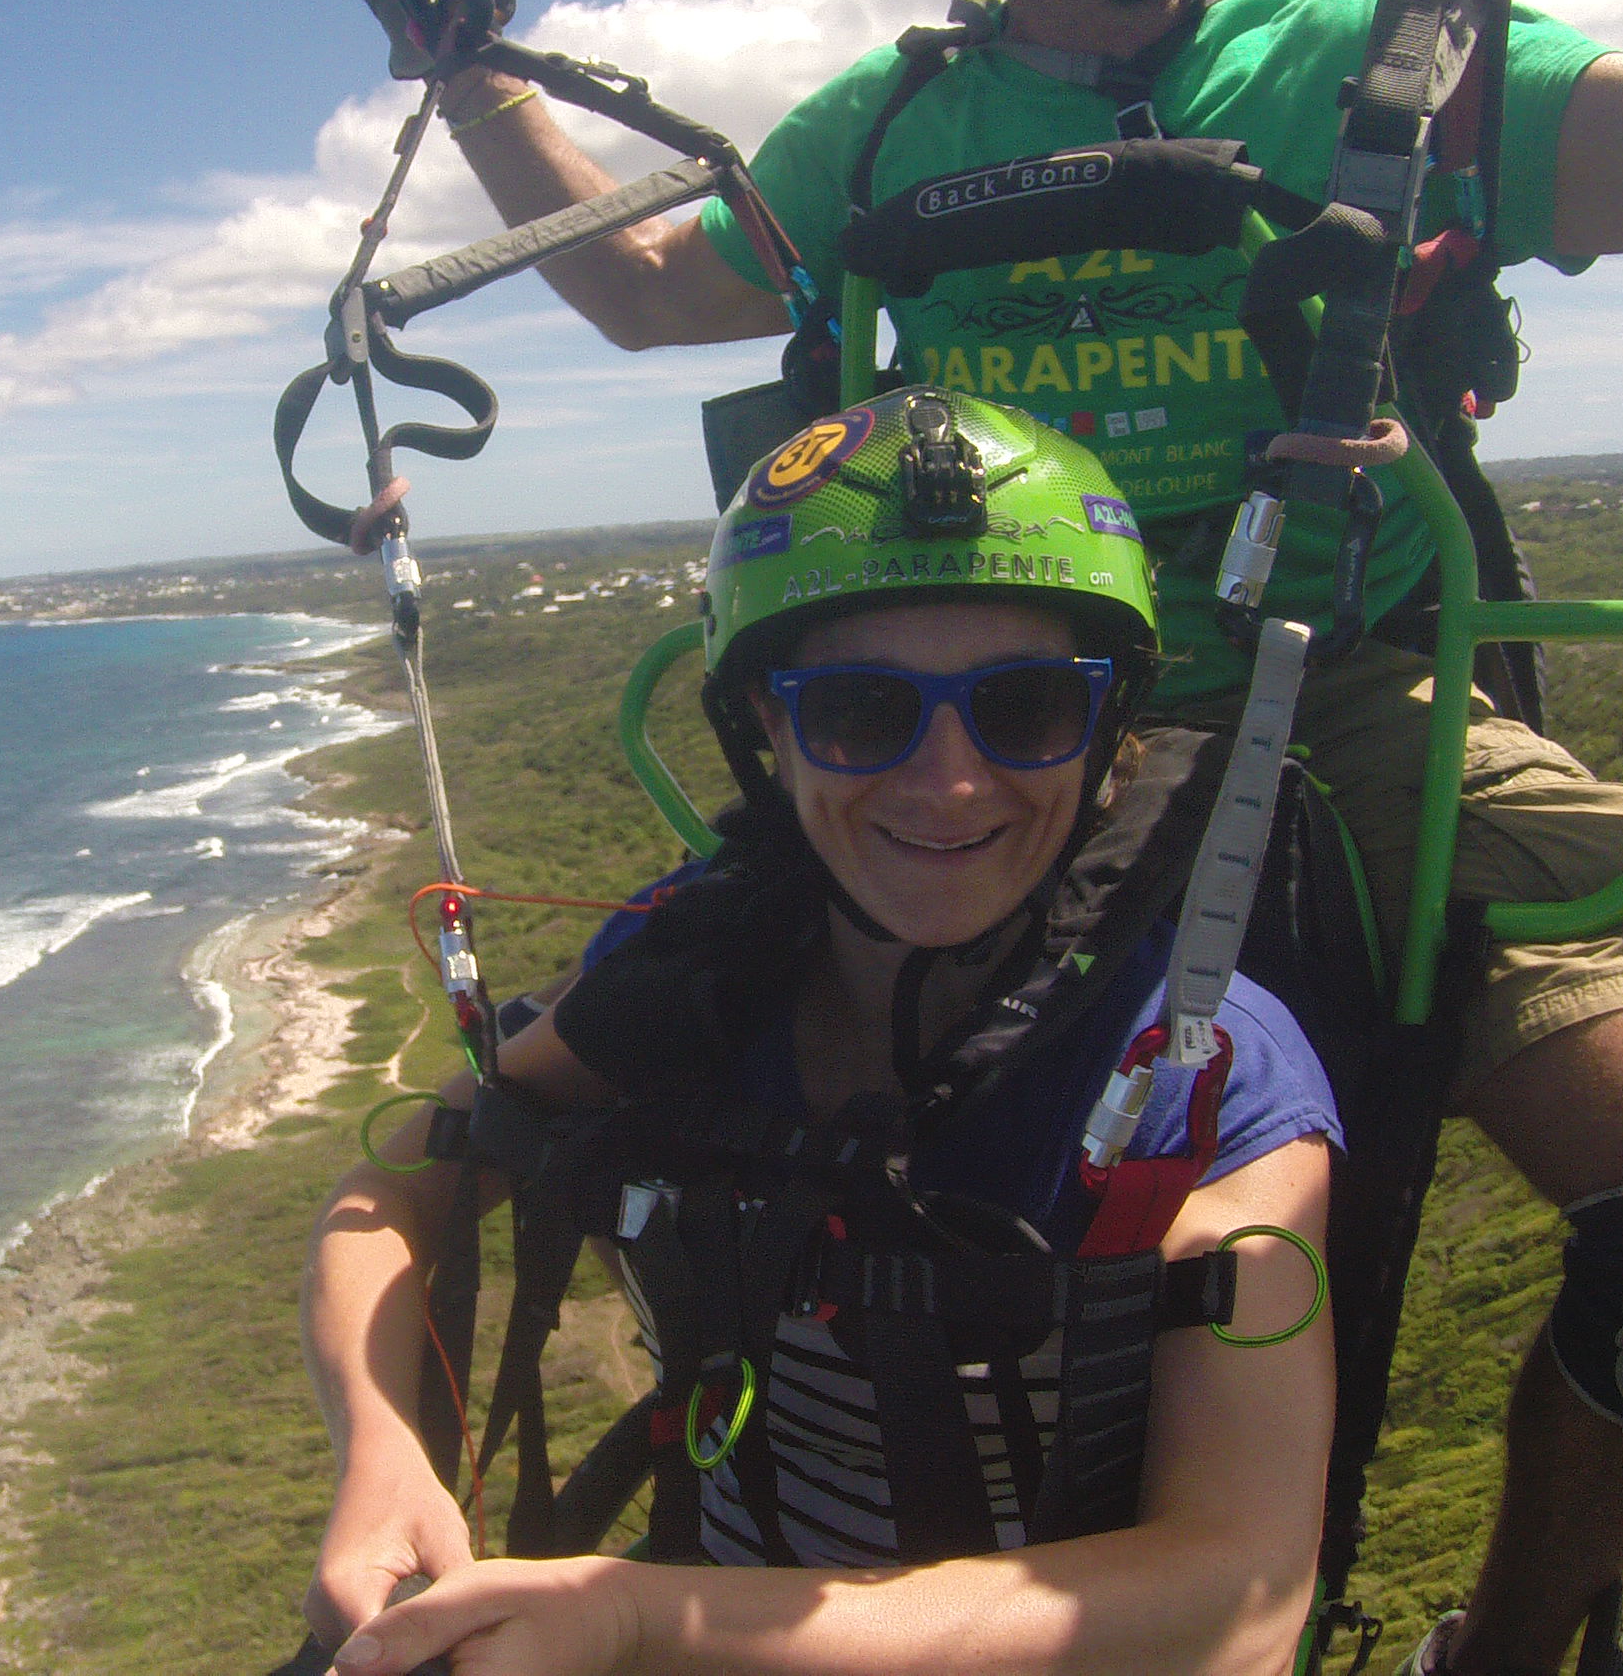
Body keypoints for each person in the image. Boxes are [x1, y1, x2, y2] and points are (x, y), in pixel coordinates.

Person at [329, 0, 1623, 1668]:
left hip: (1345, 692)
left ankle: (1518, 1643)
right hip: (965, 729)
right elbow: (643, 280)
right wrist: (465, 57)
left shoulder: (1373, 62)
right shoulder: (884, 131)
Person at [304, 391, 1343, 1676]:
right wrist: (381, 1448)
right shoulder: (697, 978)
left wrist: (644, 1619)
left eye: (1024, 708)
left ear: (1107, 733)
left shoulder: (1208, 1074)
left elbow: (1241, 1593)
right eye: (861, 711)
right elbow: (411, 1171)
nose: (952, 778)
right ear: (768, 734)